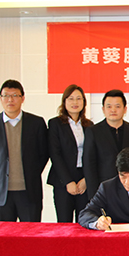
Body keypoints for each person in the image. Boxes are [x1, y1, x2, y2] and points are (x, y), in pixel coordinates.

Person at [0, 79, 48, 222]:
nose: (10, 100)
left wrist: (31, 172)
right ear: (0, 98)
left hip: (29, 191)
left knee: (30, 233)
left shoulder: (36, 123)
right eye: (6, 95)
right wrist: (0, 172)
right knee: (4, 233)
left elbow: (44, 153)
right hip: (1, 193)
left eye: (15, 95)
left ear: (23, 98)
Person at [47, 84, 94, 223]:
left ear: (84, 102)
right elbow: (55, 154)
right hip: (63, 180)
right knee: (64, 223)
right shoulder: (55, 124)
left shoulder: (89, 126)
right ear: (64, 101)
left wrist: (86, 179)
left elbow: (92, 155)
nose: (75, 102)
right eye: (71, 98)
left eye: (79, 98)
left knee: (83, 221)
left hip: (83, 179)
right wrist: (67, 181)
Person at [83, 89, 129, 187]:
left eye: (117, 106)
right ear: (103, 109)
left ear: (125, 109)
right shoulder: (93, 132)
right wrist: (94, 193)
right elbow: (89, 165)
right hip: (104, 187)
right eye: (109, 106)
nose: (113, 110)